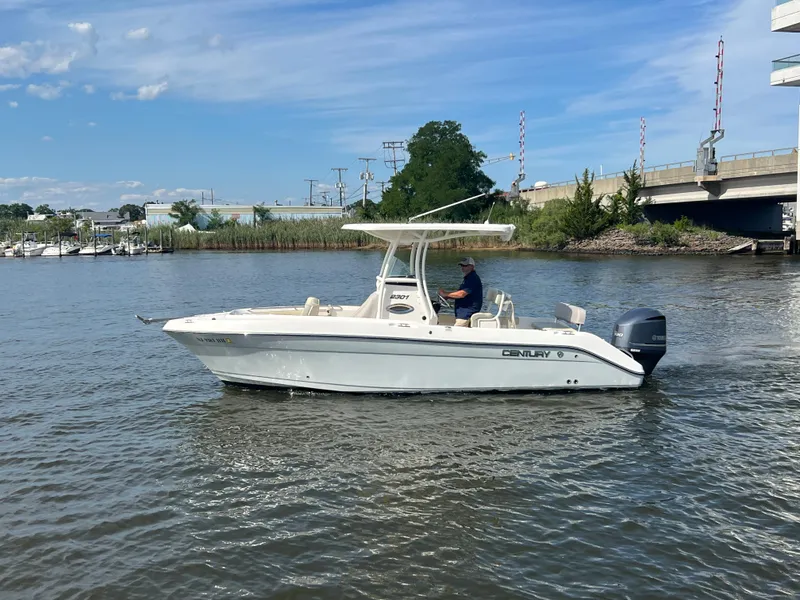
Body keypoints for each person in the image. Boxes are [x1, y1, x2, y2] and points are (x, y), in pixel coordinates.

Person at [438, 257, 483, 327]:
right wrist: (447, 296)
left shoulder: (473, 279)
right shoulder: (468, 278)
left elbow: (461, 294)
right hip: (463, 311)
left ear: (472, 266)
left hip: (466, 313)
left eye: (465, 265)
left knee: (455, 334)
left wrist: (445, 294)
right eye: (462, 265)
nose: (463, 267)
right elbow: (460, 293)